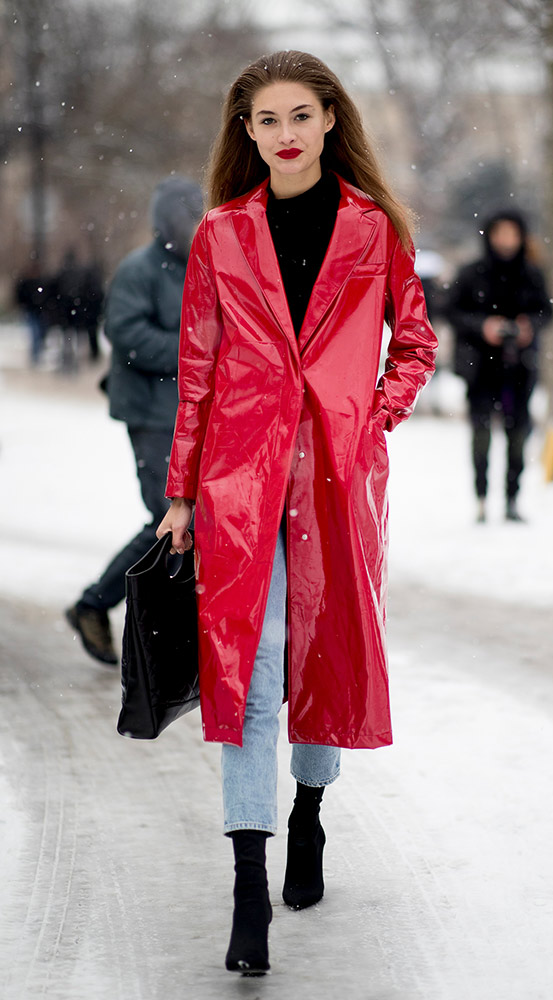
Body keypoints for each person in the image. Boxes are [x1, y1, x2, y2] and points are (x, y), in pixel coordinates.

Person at [156, 50, 437, 976]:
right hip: (241, 479)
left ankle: (310, 811)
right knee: (255, 661)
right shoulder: (220, 235)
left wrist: (372, 415)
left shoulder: (374, 226)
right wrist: (182, 493)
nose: (284, 135)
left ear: (328, 120)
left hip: (335, 473)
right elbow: (198, 367)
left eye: (300, 117)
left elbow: (416, 342)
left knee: (324, 654)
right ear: (247, 132)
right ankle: (248, 884)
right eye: (266, 120)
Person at [66, 176, 204, 664]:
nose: (195, 226)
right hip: (150, 414)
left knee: (195, 524)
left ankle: (169, 633)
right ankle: (94, 604)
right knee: (167, 522)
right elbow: (125, 336)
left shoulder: (200, 268)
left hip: (188, 414)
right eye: (188, 217)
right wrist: (196, 353)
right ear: (169, 221)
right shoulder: (139, 270)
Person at [445, 211, 552, 522]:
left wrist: (527, 325)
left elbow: (546, 311)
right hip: (479, 367)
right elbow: (451, 310)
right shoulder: (470, 273)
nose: (506, 241)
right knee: (480, 435)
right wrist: (483, 327)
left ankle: (512, 499)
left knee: (518, 434)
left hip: (519, 368)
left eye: (512, 234)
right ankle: (480, 497)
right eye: (500, 234)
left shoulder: (532, 274)